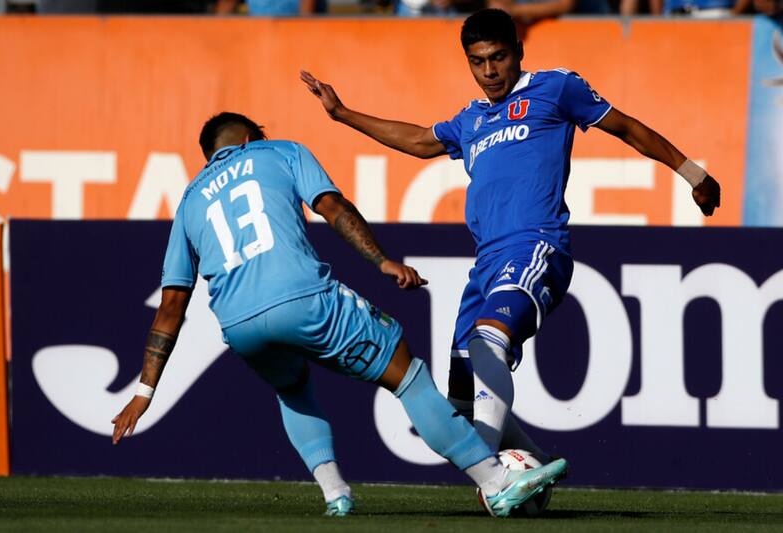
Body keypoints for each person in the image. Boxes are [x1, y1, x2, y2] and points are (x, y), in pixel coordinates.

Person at [301, 6, 721, 481]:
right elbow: (419, 140)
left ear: (519, 51)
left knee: (489, 340)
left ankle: (491, 474)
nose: (489, 71)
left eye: (498, 57)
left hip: (535, 247)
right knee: (459, 395)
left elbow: (626, 127)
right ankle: (533, 466)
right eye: (477, 61)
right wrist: (341, 115)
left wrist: (693, 175)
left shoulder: (556, 88)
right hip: (486, 265)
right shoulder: (472, 119)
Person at [110, 112, 568, 518]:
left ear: (210, 154)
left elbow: (172, 305)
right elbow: (332, 207)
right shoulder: (281, 151)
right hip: (302, 297)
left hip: (238, 323)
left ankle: (335, 495)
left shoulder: (190, 200)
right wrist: (382, 261)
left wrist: (144, 392)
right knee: (405, 373)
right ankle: (495, 480)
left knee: (291, 388)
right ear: (250, 139)